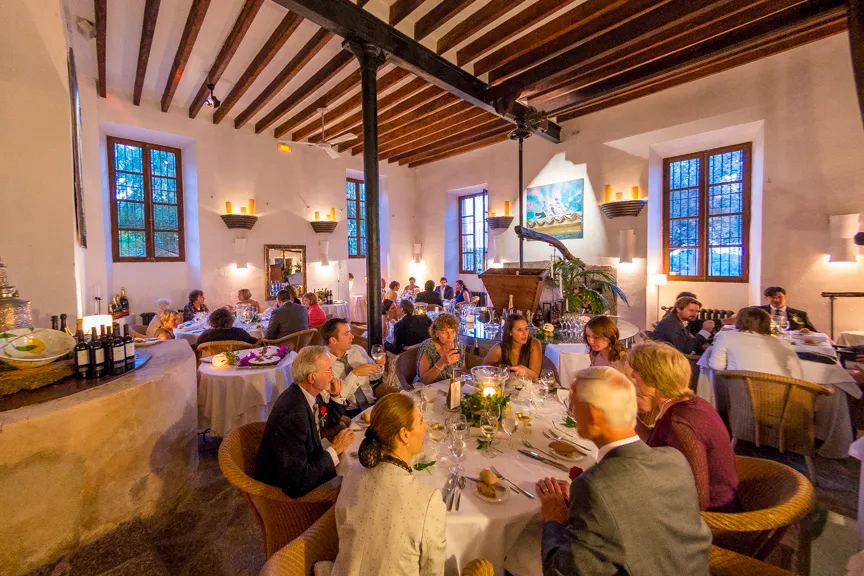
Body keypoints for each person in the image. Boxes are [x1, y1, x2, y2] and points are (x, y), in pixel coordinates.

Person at [536, 366, 711, 575]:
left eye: (572, 404)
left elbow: (561, 572)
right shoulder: (675, 460)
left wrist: (554, 519)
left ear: (593, 414)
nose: (570, 412)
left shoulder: (594, 486)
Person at [333, 394, 445, 575]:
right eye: (420, 421)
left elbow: (341, 530)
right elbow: (433, 571)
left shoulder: (352, 472)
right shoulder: (428, 500)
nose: (425, 427)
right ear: (404, 434)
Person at [629, 342, 739, 511]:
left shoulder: (680, 422)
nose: (631, 381)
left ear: (653, 380)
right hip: (708, 499)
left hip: (712, 515)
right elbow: (659, 439)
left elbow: (697, 497)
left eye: (635, 376)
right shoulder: (691, 403)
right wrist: (628, 417)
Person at [255, 346, 354, 498]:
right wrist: (335, 449)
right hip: (283, 493)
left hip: (309, 460)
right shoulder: (292, 413)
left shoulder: (308, 392)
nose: (332, 374)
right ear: (311, 377)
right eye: (328, 370)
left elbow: (326, 422)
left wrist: (336, 396)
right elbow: (296, 483)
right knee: (353, 486)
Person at [709, 307, 803, 378]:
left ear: (739, 321)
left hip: (740, 392)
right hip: (781, 396)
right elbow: (797, 375)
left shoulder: (726, 336)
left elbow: (716, 365)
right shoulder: (783, 343)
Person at [321, 318, 386, 416]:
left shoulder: (357, 350)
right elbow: (332, 398)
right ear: (333, 340)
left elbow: (375, 377)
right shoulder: (322, 362)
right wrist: (355, 373)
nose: (352, 336)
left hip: (371, 405)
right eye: (346, 334)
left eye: (350, 332)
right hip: (346, 412)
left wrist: (379, 365)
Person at [483, 314, 542, 380]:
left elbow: (535, 377)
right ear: (510, 332)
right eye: (519, 330)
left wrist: (526, 371)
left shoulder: (534, 344)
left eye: (526, 329)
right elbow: (483, 371)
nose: (524, 333)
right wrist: (498, 375)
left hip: (528, 388)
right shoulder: (498, 349)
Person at [416, 313, 465, 384]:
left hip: (450, 386)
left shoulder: (459, 347)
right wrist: (442, 362)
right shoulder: (427, 347)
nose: (449, 336)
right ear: (436, 333)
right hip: (429, 388)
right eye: (444, 332)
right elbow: (424, 381)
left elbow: (462, 372)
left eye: (452, 332)